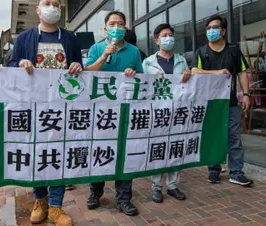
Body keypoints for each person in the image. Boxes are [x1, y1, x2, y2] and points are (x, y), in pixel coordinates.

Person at [8, 0, 82, 226]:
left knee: (59, 154)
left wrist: (77, 67)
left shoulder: (69, 38)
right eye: (47, 3)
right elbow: (10, 67)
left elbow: (79, 66)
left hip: (62, 107)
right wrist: (21, 62)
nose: (51, 7)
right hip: (33, 107)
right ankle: (40, 199)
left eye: (55, 4)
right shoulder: (24, 38)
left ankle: (56, 206)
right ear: (38, 9)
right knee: (37, 154)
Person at [84, 11, 142, 216]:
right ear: (105, 28)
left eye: (120, 24)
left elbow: (142, 79)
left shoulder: (134, 51)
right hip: (101, 111)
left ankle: (124, 198)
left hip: (125, 111)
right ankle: (95, 192)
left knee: (125, 153)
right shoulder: (96, 47)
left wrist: (133, 74)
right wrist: (104, 55)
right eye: (112, 24)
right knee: (100, 151)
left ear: (125, 28)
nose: (116, 27)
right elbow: (88, 72)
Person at [191, 15, 253, 186]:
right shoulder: (201, 51)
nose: (211, 31)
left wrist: (246, 94)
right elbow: (195, 71)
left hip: (230, 102)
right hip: (209, 102)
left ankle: (236, 172)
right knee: (213, 136)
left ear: (223, 31)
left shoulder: (233, 50)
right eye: (208, 28)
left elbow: (242, 73)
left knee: (234, 137)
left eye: (215, 28)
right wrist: (216, 73)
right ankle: (213, 169)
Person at [142, 23, 190, 203]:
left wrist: (188, 73)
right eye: (164, 35)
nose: (168, 38)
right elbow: (144, 87)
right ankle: (156, 187)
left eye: (171, 34)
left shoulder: (181, 60)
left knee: (176, 147)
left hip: (177, 111)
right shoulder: (148, 62)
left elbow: (187, 83)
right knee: (158, 148)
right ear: (157, 40)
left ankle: (173, 185)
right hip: (157, 112)